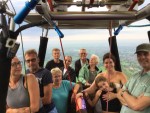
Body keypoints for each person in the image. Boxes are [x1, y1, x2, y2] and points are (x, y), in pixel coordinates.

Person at [118, 43, 150, 113]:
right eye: (139, 55)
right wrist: (132, 102)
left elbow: (136, 105)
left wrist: (123, 92)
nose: (142, 57)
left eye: (145, 54)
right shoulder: (135, 75)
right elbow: (118, 94)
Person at [25, 49, 57, 113]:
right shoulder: (27, 73)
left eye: (33, 60)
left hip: (48, 110)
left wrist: (32, 104)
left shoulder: (45, 73)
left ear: (38, 60)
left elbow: (47, 99)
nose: (31, 63)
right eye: (28, 61)